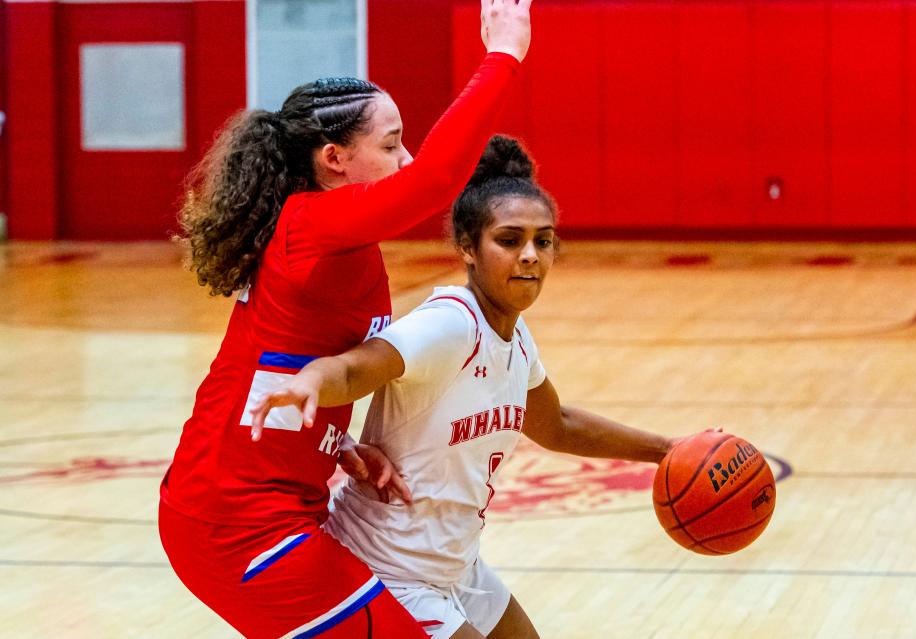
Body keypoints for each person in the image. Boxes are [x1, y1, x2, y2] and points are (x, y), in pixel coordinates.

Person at [158, 2, 534, 637]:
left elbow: (276, 366)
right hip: (233, 525)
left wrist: (335, 442)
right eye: (391, 145)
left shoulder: (338, 243)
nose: (407, 158)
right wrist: (504, 53)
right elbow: (438, 179)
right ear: (334, 159)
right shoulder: (308, 224)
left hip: (271, 503)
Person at [250, 136, 693, 639]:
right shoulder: (450, 324)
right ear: (467, 247)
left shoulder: (514, 336)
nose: (530, 256)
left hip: (455, 564)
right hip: (388, 569)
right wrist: (313, 379)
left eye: (542, 241)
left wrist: (668, 450)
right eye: (509, 240)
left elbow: (557, 424)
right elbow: (357, 369)